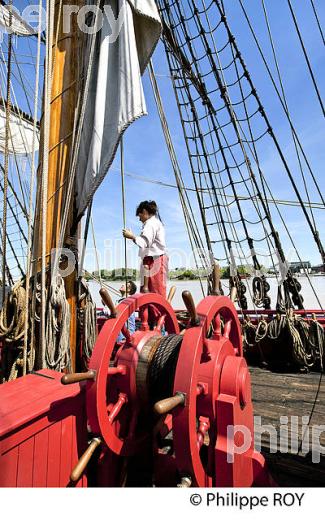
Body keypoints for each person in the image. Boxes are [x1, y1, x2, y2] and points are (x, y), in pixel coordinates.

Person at [123, 200, 168, 323]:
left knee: (154, 294)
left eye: (140, 216)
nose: (139, 219)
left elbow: (144, 242)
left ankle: (156, 324)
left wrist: (131, 236)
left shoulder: (151, 224)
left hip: (154, 261)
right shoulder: (155, 223)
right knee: (152, 293)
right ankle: (154, 323)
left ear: (144, 212)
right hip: (152, 260)